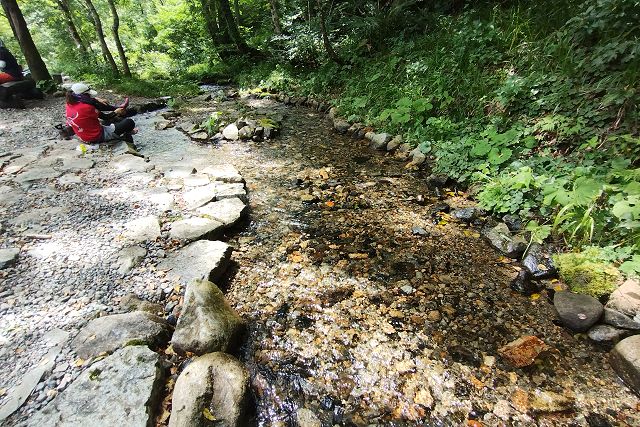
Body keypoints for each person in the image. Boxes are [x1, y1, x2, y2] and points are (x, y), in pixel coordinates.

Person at [65, 83, 136, 144]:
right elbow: (106, 117)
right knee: (129, 122)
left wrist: (97, 99)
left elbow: (92, 102)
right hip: (97, 137)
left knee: (111, 119)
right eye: (88, 95)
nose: (90, 96)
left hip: (83, 136)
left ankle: (119, 107)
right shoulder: (87, 107)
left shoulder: (69, 104)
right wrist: (116, 112)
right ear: (84, 95)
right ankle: (128, 132)